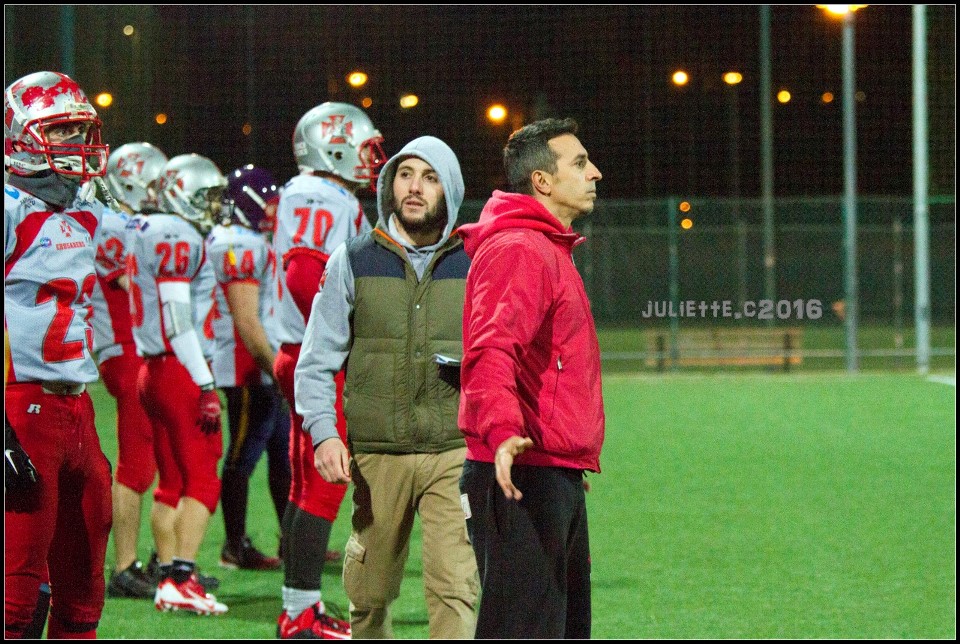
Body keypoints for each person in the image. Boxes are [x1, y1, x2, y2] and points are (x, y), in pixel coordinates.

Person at [300, 135, 479, 639]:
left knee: (454, 588)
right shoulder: (352, 260)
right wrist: (323, 431)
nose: (415, 188)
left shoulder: (476, 260)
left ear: (449, 188)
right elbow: (316, 361)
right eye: (405, 175)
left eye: (428, 177)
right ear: (388, 185)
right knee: (370, 593)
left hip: (455, 451)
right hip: (378, 453)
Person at [456, 117, 606, 639]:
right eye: (581, 163)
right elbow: (491, 350)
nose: (596, 173)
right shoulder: (521, 248)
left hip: (549, 469)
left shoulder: (546, 248)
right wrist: (501, 436)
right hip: (519, 473)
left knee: (562, 630)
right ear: (542, 181)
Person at [4, 70, 114, 639]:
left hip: (79, 410)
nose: (77, 144)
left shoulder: (85, 206)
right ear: (21, 136)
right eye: (62, 131)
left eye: (80, 129)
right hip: (20, 409)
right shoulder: (8, 206)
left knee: (83, 593)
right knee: (14, 594)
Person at [272, 101, 385, 639]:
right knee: (323, 486)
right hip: (313, 357)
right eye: (364, 149)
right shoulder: (321, 196)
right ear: (333, 146)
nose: (371, 162)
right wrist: (338, 334)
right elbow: (303, 272)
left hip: (300, 353)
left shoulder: (317, 194)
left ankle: (300, 607)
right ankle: (299, 613)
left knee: (306, 488)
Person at [127, 152, 229, 616]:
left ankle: (168, 577)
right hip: (180, 368)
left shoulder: (147, 227)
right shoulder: (177, 233)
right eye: (206, 196)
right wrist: (206, 383)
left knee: (171, 481)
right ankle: (183, 579)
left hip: (153, 368)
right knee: (204, 480)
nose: (212, 206)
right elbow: (178, 318)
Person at [206, 164, 290, 570]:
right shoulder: (236, 242)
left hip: (261, 362)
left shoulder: (250, 239)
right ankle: (233, 546)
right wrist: (275, 367)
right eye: (270, 203)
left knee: (282, 453)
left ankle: (291, 537)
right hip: (245, 366)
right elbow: (246, 320)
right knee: (242, 457)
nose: (275, 211)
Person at [96, 141, 169, 599]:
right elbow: (139, 281)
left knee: (163, 457)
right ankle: (124, 566)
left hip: (136, 347)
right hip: (126, 349)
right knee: (136, 463)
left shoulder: (127, 222)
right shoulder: (114, 225)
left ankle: (167, 562)